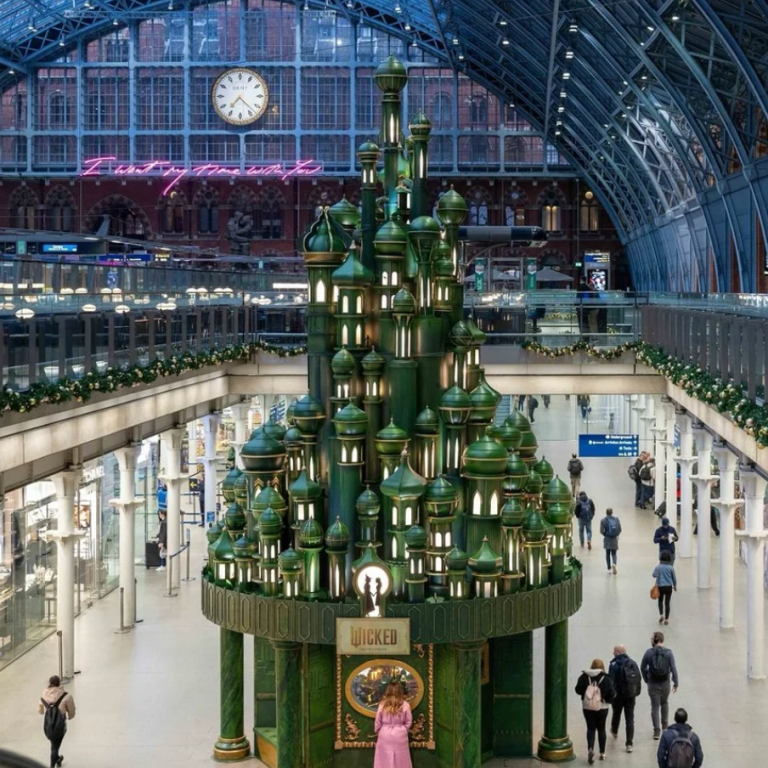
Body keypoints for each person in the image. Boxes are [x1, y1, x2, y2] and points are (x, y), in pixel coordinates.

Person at [575, 658, 615, 764]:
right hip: (602, 707)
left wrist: (586, 693)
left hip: (588, 707)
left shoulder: (584, 676)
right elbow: (612, 692)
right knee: (601, 729)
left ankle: (590, 749)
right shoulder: (606, 678)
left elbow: (577, 690)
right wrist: (606, 700)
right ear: (602, 667)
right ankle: (602, 753)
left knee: (590, 728)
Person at [641, 631, 679, 740]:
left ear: (655, 640)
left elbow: (642, 667)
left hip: (653, 683)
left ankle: (656, 731)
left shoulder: (649, 653)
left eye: (652, 638)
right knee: (664, 702)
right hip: (665, 683)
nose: (650, 640)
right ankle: (665, 726)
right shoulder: (669, 653)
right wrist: (676, 682)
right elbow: (673, 668)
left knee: (655, 706)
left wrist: (646, 679)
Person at [609, 644, 642, 754]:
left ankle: (614, 730)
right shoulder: (632, 663)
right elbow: (638, 678)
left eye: (614, 651)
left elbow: (611, 681)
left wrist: (611, 695)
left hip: (618, 696)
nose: (613, 653)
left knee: (616, 713)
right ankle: (629, 743)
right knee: (630, 719)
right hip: (630, 696)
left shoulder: (613, 664)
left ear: (618, 652)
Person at [38, 674, 76, 768]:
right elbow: (71, 710)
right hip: (60, 724)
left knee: (54, 744)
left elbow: (40, 710)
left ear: (50, 683)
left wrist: (43, 710)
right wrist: (70, 716)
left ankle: (58, 759)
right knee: (55, 746)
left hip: (48, 724)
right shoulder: (66, 696)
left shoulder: (44, 694)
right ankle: (52, 765)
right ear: (59, 683)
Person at [374, 681, 413, 768]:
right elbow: (408, 721)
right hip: (400, 733)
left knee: (383, 758)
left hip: (385, 733)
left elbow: (378, 721)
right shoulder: (405, 705)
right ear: (401, 691)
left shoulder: (382, 704)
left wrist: (379, 730)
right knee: (401, 758)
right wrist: (403, 729)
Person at [653, 551, 677, 625]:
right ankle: (666, 619)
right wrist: (675, 585)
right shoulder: (671, 568)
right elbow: (674, 578)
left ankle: (661, 615)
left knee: (660, 601)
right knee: (667, 603)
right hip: (669, 587)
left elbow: (654, 575)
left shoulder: (658, 567)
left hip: (660, 586)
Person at [600, 507, 621, 574]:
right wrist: (616, 534)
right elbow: (620, 529)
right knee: (614, 554)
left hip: (607, 539)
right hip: (614, 539)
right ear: (612, 512)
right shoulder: (616, 519)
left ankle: (609, 568)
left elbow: (601, 531)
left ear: (606, 513)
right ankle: (614, 563)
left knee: (607, 554)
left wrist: (605, 535)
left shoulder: (603, 520)